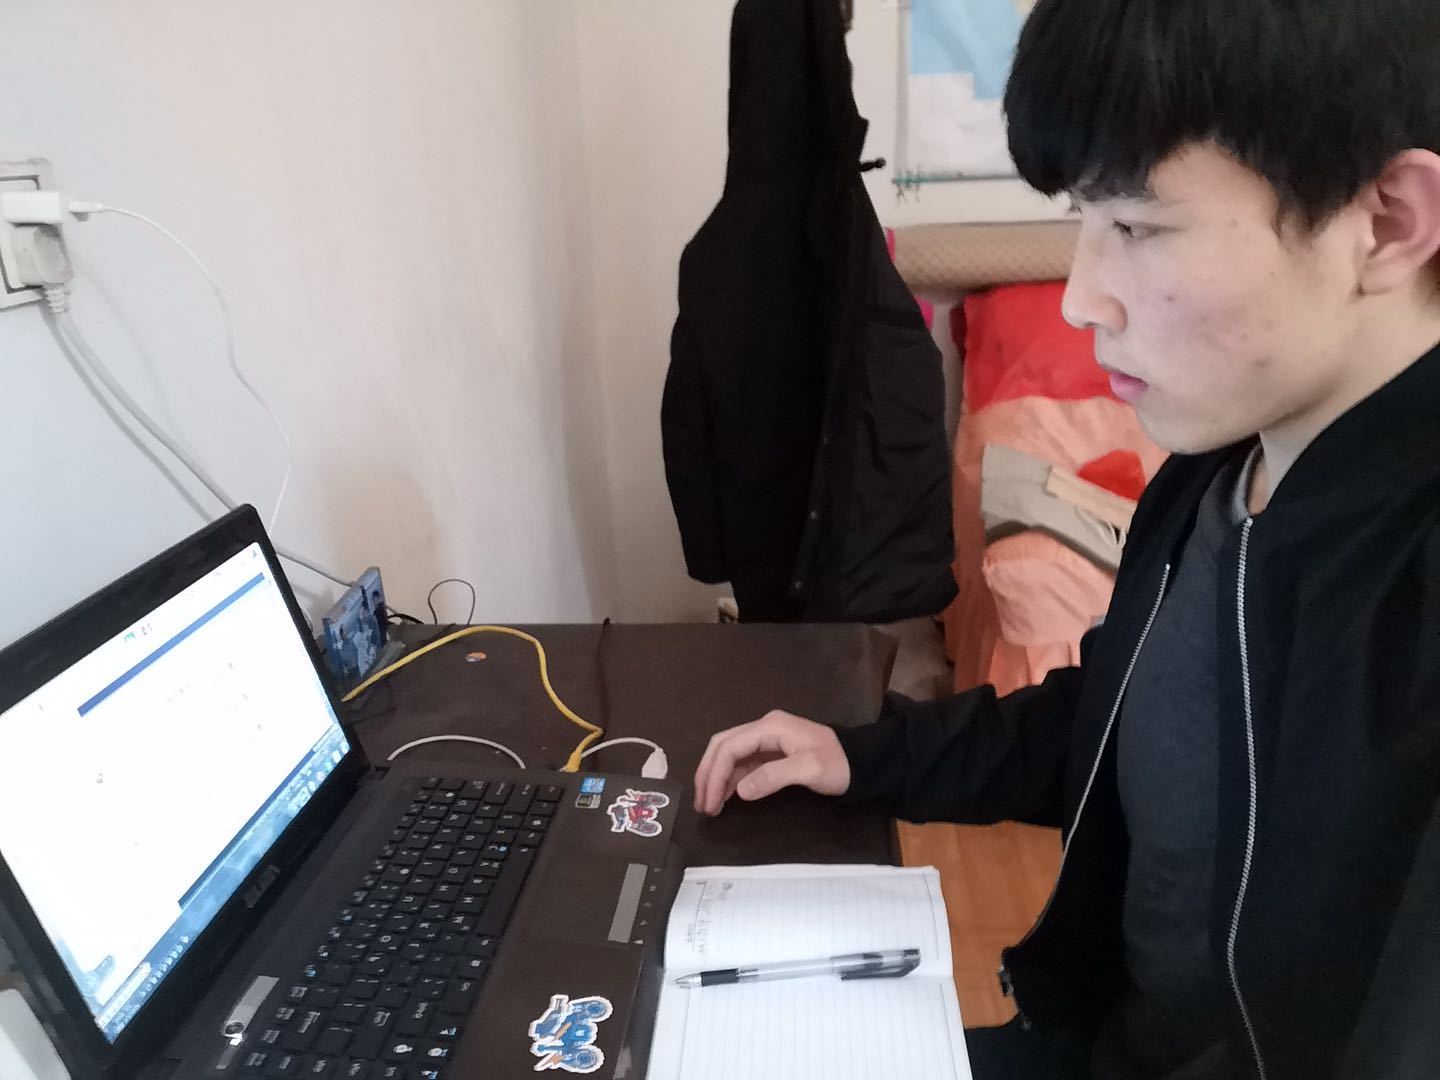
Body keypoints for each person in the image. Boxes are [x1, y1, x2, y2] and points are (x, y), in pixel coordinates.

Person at [692, 0, 1440, 1076]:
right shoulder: (1217, 470)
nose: (1083, 298)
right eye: (1084, 217)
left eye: (1136, 225)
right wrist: (863, 754)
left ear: (1387, 221)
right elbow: (1121, 720)